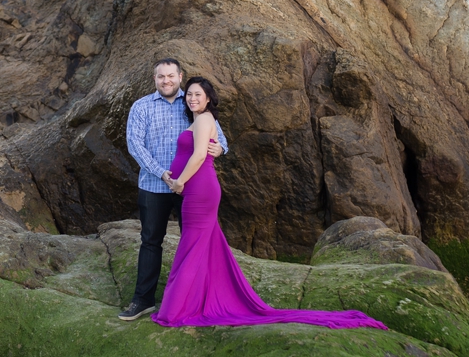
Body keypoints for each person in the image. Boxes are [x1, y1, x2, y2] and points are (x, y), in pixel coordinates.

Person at [151, 76, 388, 330]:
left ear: (208, 98)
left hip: (199, 191)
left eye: (198, 94)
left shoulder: (205, 119)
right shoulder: (200, 120)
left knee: (191, 246)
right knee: (205, 247)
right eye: (189, 95)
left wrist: (179, 182)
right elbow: (206, 148)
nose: (192, 98)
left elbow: (199, 155)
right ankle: (197, 301)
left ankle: (175, 310)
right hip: (199, 190)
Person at [120, 59, 228, 321]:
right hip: (155, 186)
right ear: (154, 79)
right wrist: (161, 172)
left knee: (192, 241)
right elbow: (135, 145)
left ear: (180, 76)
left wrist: (220, 148)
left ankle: (192, 300)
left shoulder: (193, 102)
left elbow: (220, 139)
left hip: (190, 189)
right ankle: (142, 300)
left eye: (170, 76)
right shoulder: (142, 106)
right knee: (150, 241)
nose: (166, 80)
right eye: (160, 76)